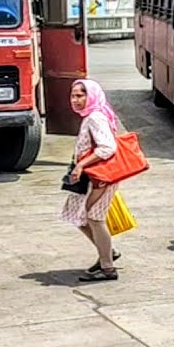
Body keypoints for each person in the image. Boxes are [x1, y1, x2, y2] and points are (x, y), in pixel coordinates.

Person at [60, 79, 123, 282]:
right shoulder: (91, 115)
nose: (76, 100)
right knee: (77, 214)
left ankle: (107, 267)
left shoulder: (96, 117)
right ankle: (107, 252)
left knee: (94, 217)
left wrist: (81, 165)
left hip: (101, 177)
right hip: (92, 177)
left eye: (81, 95)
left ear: (92, 96)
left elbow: (107, 148)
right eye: (73, 95)